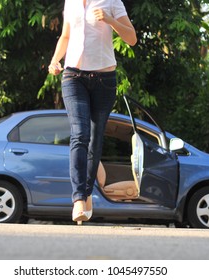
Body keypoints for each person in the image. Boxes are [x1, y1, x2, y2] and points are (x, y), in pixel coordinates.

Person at [48, 0, 137, 224]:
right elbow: (66, 36)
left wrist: (109, 19)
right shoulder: (71, 2)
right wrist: (54, 61)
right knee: (80, 134)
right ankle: (79, 197)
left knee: (95, 139)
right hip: (73, 76)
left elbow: (132, 38)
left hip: (104, 80)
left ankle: (87, 193)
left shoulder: (112, 2)